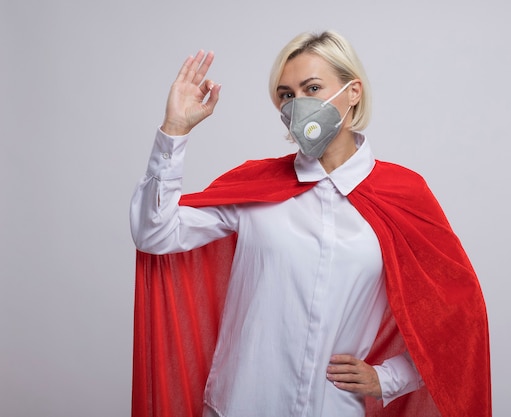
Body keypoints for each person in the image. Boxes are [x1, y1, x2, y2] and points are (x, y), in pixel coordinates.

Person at [130, 31, 491, 417]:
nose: (298, 104)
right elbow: (155, 234)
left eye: (313, 87)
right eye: (287, 95)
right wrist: (174, 131)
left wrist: (389, 379)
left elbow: (457, 317)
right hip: (241, 404)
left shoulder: (403, 193)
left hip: (335, 408)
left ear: (353, 92)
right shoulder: (256, 187)